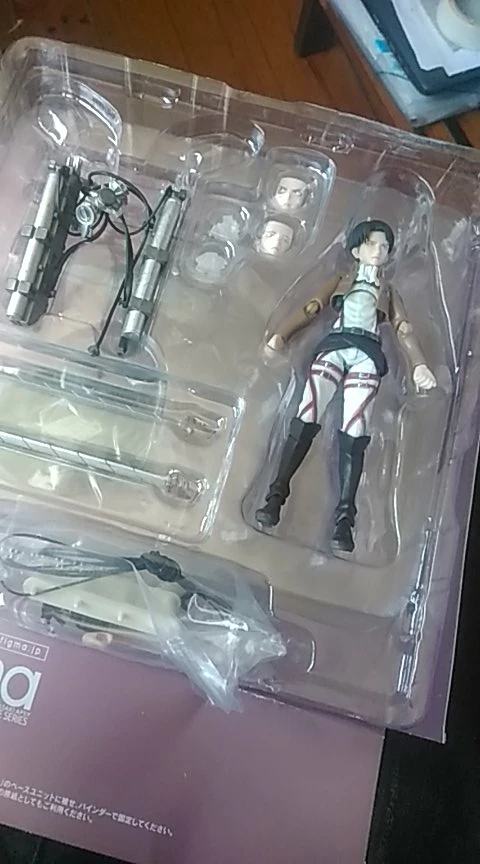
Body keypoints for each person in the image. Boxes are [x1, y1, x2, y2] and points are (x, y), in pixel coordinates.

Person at [255, 218, 437, 553]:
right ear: (356, 249)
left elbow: (403, 328)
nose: (378, 251)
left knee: (355, 430)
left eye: (384, 246)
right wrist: (283, 334)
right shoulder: (342, 280)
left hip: (367, 353)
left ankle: (344, 520)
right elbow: (312, 307)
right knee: (307, 414)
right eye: (371, 244)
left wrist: (419, 364)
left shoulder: (387, 290)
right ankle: (274, 497)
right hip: (336, 346)